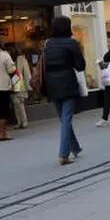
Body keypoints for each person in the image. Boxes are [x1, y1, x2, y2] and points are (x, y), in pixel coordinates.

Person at [43, 16, 86, 164]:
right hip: (67, 83)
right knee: (66, 119)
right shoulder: (71, 43)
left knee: (64, 118)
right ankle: (63, 154)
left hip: (51, 85)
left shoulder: (47, 44)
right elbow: (80, 66)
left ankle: (75, 148)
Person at [9, 47, 32, 129]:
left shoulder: (21, 59)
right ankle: (19, 122)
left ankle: (24, 121)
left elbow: (26, 72)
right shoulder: (8, 60)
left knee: (20, 103)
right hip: (11, 84)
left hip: (20, 83)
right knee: (15, 104)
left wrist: (28, 85)